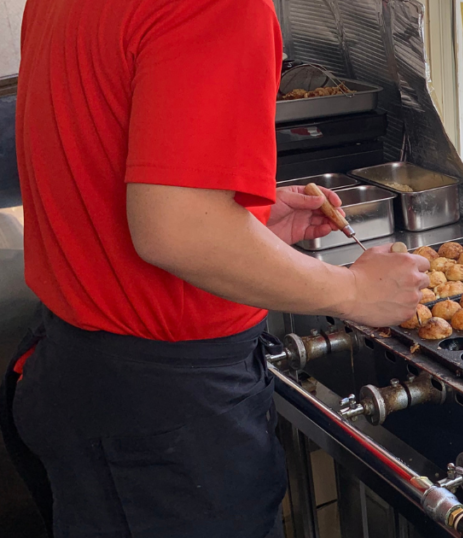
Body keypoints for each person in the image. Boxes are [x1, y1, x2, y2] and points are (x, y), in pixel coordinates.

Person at [0, 0, 430, 536]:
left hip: (82, 374)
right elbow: (177, 232)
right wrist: (351, 290)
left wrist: (239, 217)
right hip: (162, 413)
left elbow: (102, 160)